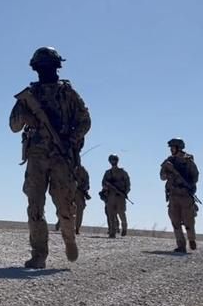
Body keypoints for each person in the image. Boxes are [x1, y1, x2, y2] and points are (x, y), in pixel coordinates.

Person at [9, 47, 91, 269]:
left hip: (61, 158)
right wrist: (28, 116)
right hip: (36, 157)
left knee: (65, 206)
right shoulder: (29, 96)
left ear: (56, 68)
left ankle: (69, 239)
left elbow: (85, 121)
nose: (45, 71)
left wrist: (71, 139)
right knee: (34, 206)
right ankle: (39, 254)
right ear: (35, 69)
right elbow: (14, 126)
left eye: (49, 67)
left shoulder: (67, 94)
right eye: (41, 67)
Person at [159, 138, 199, 253]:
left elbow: (195, 177)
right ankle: (181, 245)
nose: (171, 150)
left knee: (188, 221)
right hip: (173, 195)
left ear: (178, 148)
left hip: (185, 195)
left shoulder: (188, 161)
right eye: (171, 148)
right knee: (175, 221)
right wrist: (169, 173)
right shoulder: (169, 161)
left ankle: (191, 239)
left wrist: (185, 182)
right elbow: (162, 177)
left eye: (173, 147)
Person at [100, 154, 131, 238]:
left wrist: (124, 193)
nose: (113, 162)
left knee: (121, 213)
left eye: (114, 160)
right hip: (110, 196)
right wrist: (107, 187)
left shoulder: (123, 173)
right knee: (111, 214)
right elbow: (103, 184)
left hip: (120, 196)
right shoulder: (108, 173)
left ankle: (124, 228)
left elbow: (128, 185)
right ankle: (112, 232)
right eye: (112, 160)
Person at [73, 163, 91, 235]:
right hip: (69, 191)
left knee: (79, 210)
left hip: (79, 193)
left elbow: (87, 183)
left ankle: (77, 228)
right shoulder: (67, 167)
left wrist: (83, 189)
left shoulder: (83, 171)